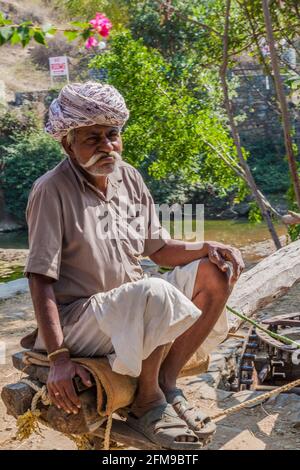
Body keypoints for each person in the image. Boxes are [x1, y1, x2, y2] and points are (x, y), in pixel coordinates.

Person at [24, 81, 244, 449]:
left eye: (112, 135)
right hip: (79, 320)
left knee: (214, 271)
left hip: (131, 308)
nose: (107, 146)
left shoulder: (129, 177)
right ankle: (146, 404)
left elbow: (157, 249)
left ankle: (165, 384)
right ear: (68, 143)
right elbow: (40, 279)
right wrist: (59, 358)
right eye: (92, 138)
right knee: (155, 292)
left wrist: (208, 246)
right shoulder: (51, 190)